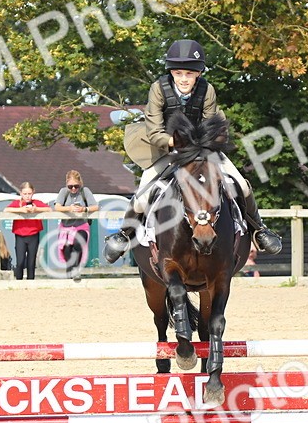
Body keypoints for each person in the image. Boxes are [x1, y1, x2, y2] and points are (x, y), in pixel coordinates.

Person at [104, 39, 282, 263]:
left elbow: (212, 123)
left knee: (242, 184)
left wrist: (202, 146)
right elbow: (154, 132)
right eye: (178, 73)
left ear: (198, 73)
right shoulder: (158, 89)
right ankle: (124, 234)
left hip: (201, 149)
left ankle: (260, 230)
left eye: (189, 73)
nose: (183, 79)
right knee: (143, 195)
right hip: (166, 147)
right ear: (172, 73)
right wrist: (176, 144)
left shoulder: (207, 90)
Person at [53, 170, 98, 280]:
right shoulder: (64, 192)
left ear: (80, 184)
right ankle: (70, 274)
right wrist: (69, 208)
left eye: (76, 186)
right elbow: (57, 207)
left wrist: (84, 209)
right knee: (67, 250)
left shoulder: (85, 191)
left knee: (78, 244)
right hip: (66, 227)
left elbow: (95, 206)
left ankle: (76, 271)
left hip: (81, 225)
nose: (73, 189)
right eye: (70, 186)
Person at [3, 181, 48, 280]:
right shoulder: (17, 203)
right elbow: (6, 209)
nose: (27, 196)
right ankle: (19, 281)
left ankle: (31, 281)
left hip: (33, 234)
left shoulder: (36, 202)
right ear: (21, 193)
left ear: (33, 193)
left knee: (31, 262)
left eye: (29, 194)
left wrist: (36, 209)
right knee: (20, 261)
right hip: (20, 235)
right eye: (25, 194)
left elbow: (49, 209)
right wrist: (21, 210)